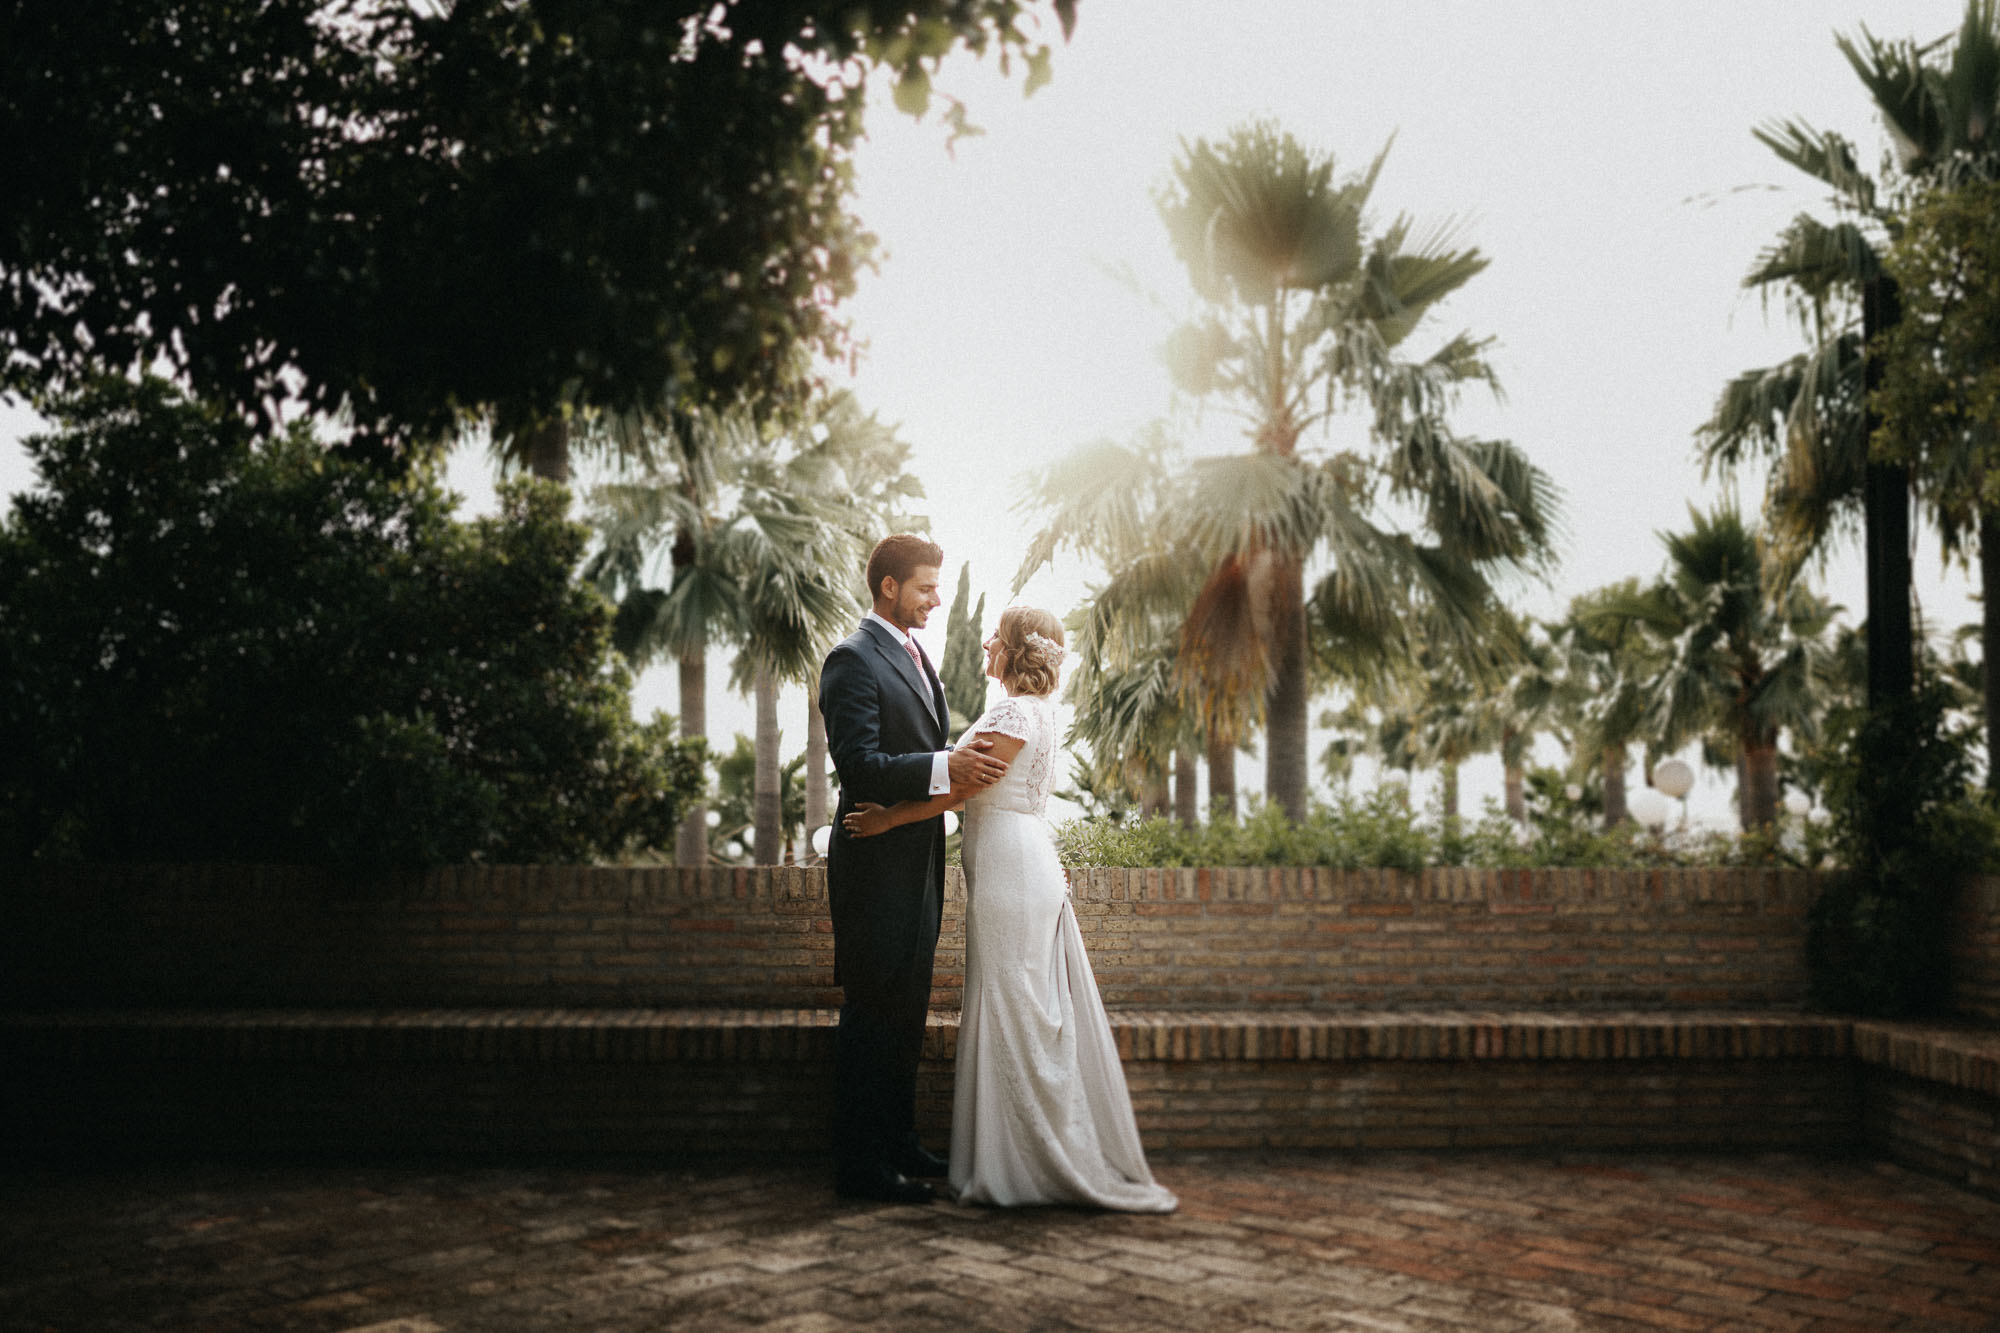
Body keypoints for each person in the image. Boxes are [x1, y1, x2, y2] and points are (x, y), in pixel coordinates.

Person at [844, 607, 1177, 1212]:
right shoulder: (1035, 711)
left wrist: (889, 818)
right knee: (1022, 1001)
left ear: (1017, 649)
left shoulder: (1013, 713)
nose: (985, 642)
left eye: (996, 635)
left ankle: (1024, 1163)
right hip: (1019, 858)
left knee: (1012, 1002)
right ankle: (1018, 1153)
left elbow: (962, 787)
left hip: (1011, 867)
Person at [818, 534, 1010, 1204]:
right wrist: (943, 766)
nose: (936, 600)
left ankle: (899, 1143)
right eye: (926, 587)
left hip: (918, 859)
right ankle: (860, 1165)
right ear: (889, 586)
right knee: (872, 1011)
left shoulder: (915, 655)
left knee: (907, 1011)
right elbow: (860, 766)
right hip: (872, 866)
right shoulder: (851, 659)